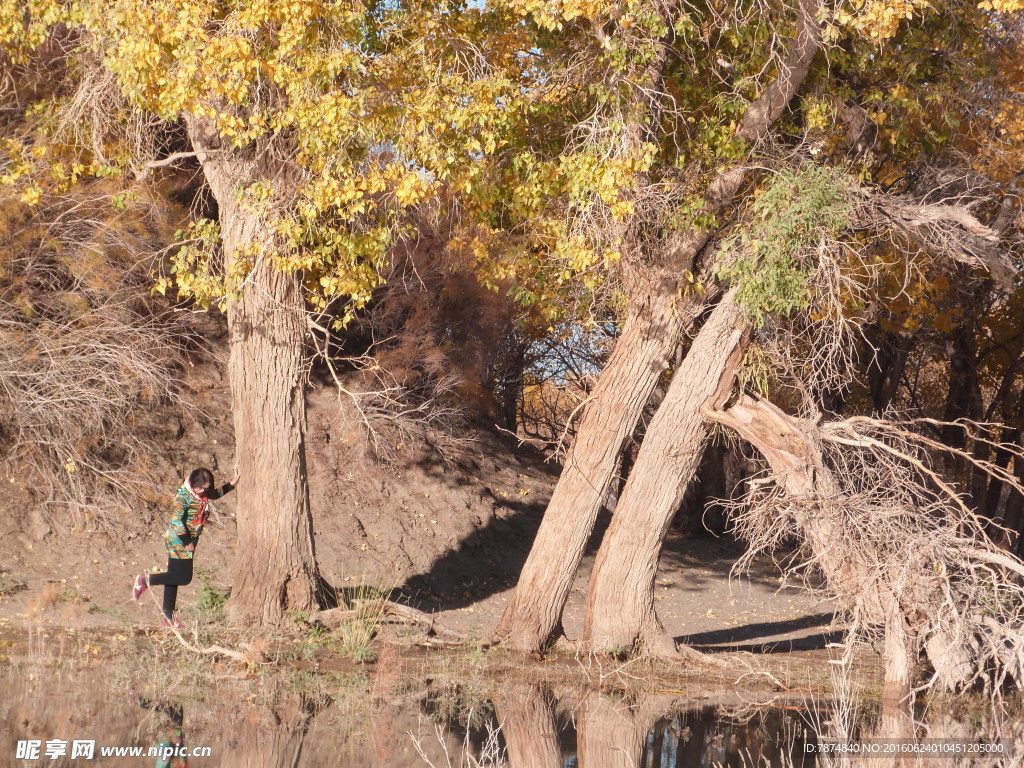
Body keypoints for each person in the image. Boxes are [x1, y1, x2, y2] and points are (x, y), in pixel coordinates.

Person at [133, 466, 240, 627]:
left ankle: (168, 618)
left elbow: (215, 494)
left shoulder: (201, 493)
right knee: (184, 577)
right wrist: (186, 542)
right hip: (178, 539)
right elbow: (176, 521)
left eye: (206, 488)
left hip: (187, 539)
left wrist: (232, 483)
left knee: (173, 578)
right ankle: (145, 580)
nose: (203, 491)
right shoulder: (184, 496)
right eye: (201, 488)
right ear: (193, 483)